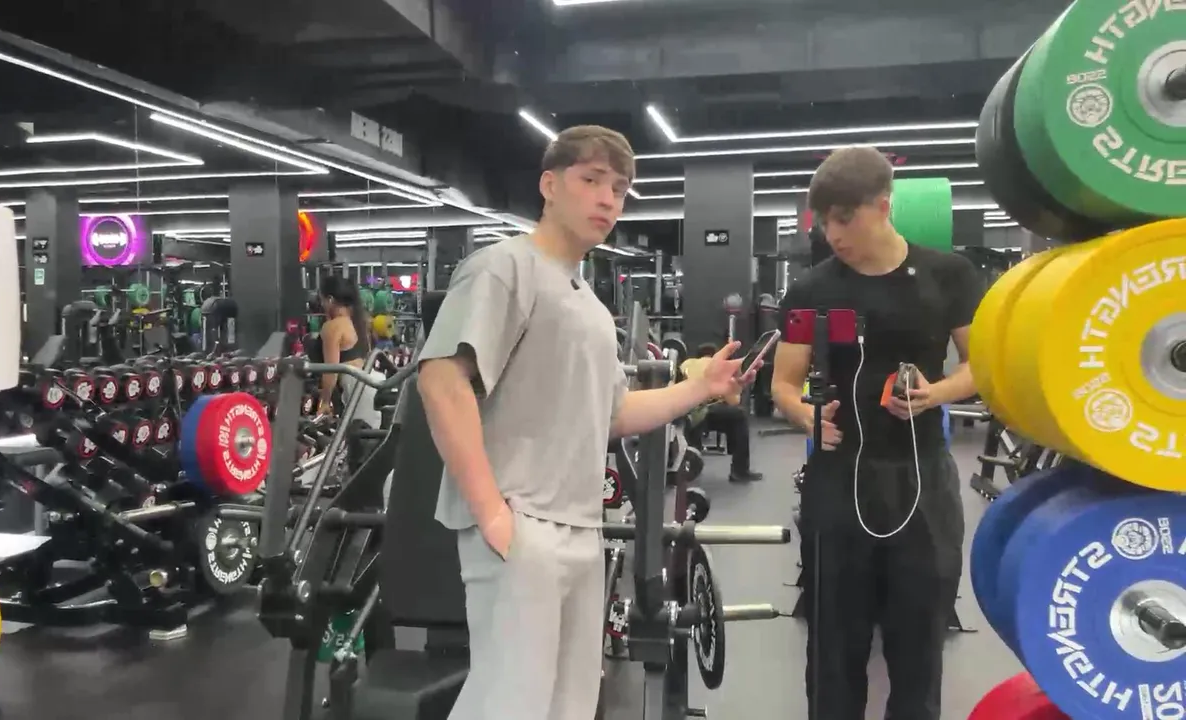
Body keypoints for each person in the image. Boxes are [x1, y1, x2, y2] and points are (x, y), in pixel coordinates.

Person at [415, 125, 763, 720]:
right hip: (521, 523)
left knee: (571, 704)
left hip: (581, 526)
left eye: (620, 189)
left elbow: (614, 415)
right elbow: (441, 382)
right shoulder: (503, 268)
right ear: (550, 185)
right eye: (592, 180)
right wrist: (491, 512)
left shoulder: (593, 310)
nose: (608, 198)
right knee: (510, 704)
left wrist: (700, 387)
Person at [769, 146, 983, 720]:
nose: (834, 234)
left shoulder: (950, 275)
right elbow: (783, 384)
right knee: (833, 647)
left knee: (919, 645)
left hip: (922, 480)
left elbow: (980, 366)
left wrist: (936, 393)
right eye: (824, 221)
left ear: (883, 206)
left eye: (846, 218)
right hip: (838, 481)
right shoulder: (810, 290)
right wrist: (804, 415)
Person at [681, 343, 762, 483]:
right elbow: (734, 401)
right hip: (701, 411)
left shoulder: (686, 364)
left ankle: (687, 467)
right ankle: (739, 471)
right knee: (738, 416)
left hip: (685, 411)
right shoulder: (718, 368)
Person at [308, 275, 371, 417]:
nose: (322, 305)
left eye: (322, 300)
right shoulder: (361, 322)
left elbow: (331, 371)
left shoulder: (333, 327)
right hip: (366, 388)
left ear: (330, 300)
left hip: (348, 395)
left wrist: (325, 402)